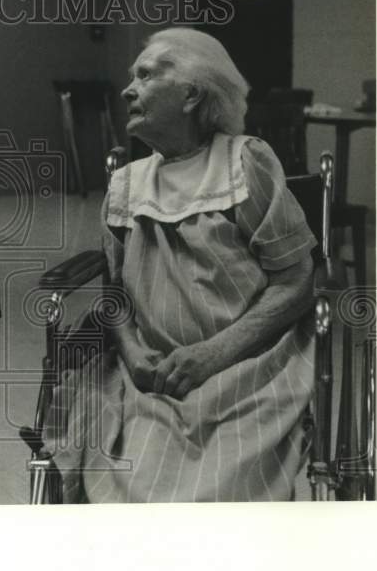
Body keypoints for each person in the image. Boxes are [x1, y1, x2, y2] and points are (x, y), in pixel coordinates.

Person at [43, 28, 317, 502]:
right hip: (150, 377)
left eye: (145, 76)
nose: (128, 89)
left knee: (222, 492)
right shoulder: (125, 186)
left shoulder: (243, 163)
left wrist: (214, 354)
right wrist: (131, 351)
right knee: (135, 484)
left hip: (247, 371)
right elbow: (115, 295)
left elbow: (296, 281)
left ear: (191, 93)